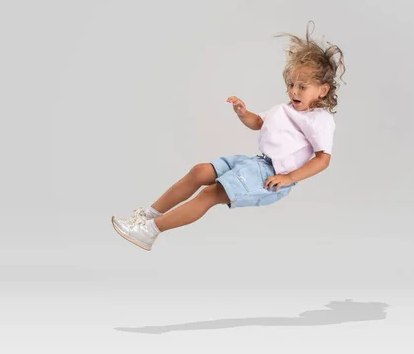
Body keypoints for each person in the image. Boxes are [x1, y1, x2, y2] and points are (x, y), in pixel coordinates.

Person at [111, 21, 346, 251]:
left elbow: (323, 158)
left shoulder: (319, 119)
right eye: (291, 84)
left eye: (302, 87)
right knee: (200, 171)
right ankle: (147, 216)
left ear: (323, 89)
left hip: (272, 176)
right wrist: (243, 113)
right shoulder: (284, 109)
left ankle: (149, 231)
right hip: (257, 163)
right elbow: (258, 123)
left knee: (210, 194)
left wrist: (290, 177)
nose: (294, 91)